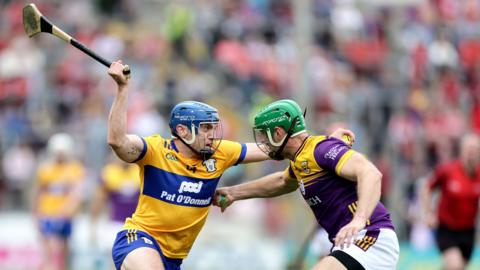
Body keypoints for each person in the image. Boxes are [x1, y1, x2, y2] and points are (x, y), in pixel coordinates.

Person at [106, 61, 354, 270]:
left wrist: (323, 144)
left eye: (213, 128)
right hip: (138, 239)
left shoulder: (221, 152)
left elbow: (276, 147)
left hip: (174, 258)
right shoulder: (155, 150)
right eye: (205, 128)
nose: (212, 135)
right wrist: (122, 88)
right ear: (182, 130)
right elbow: (118, 141)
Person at [214, 99, 399, 270]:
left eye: (265, 135)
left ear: (278, 132)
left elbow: (371, 173)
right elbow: (282, 181)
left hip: (370, 236)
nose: (263, 142)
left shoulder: (322, 150)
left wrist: (359, 219)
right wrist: (233, 193)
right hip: (348, 242)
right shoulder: (301, 159)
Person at [420, 133, 480, 270]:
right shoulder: (448, 171)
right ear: (461, 151)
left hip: (468, 230)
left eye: (475, 150)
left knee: (457, 267)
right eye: (469, 150)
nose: (471, 154)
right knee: (455, 266)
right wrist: (428, 213)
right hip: (447, 229)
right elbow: (426, 188)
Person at [32, 133, 86, 270]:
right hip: (48, 214)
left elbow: (77, 193)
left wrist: (67, 209)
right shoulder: (45, 169)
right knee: (50, 249)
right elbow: (38, 193)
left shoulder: (75, 168)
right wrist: (35, 214)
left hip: (66, 216)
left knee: (65, 250)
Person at [90, 154, 140, 269]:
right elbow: (98, 201)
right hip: (115, 224)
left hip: (138, 225)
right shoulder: (109, 172)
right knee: (115, 260)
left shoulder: (139, 171)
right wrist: (93, 226)